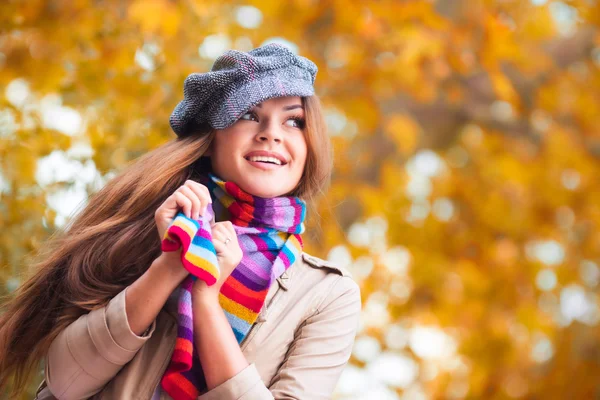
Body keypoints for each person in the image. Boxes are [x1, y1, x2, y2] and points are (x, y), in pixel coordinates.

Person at [0, 43, 361, 399]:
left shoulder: (326, 295)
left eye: (293, 120)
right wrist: (171, 263)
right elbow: (65, 383)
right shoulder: (140, 226)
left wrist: (205, 296)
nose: (272, 133)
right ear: (211, 138)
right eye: (249, 115)